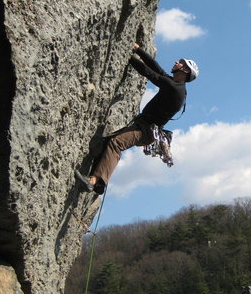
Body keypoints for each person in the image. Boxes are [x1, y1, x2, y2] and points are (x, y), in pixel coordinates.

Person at [75, 43, 199, 194]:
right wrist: (137, 50)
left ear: (185, 70)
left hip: (146, 131)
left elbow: (150, 73)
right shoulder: (175, 84)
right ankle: (99, 184)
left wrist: (128, 54)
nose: (176, 62)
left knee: (116, 143)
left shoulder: (175, 88)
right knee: (108, 141)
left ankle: (94, 181)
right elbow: (156, 68)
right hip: (144, 127)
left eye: (180, 62)